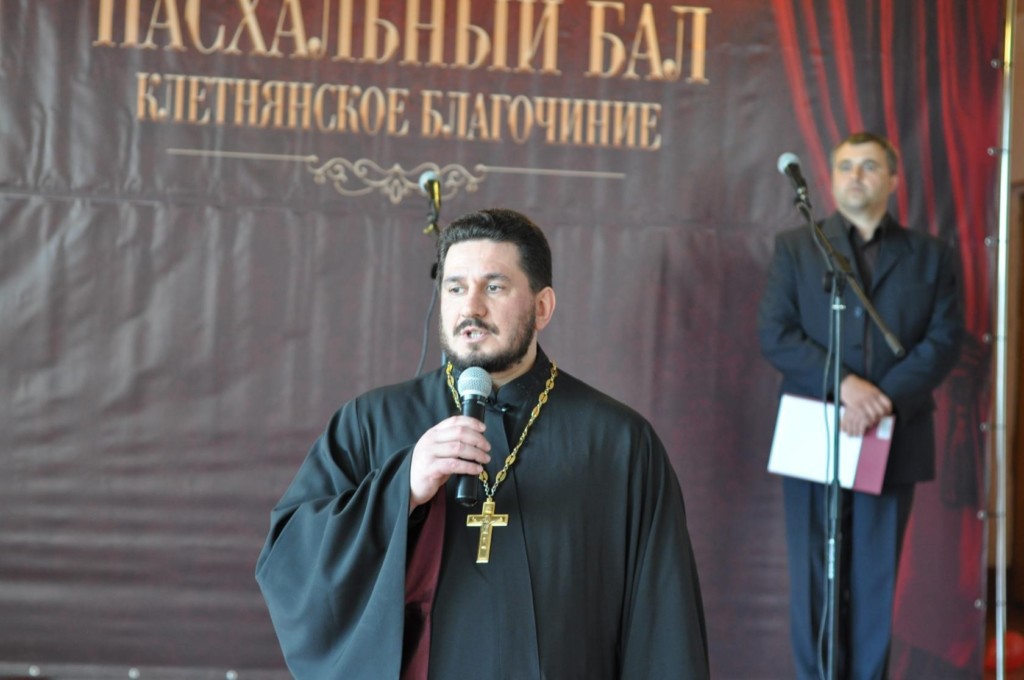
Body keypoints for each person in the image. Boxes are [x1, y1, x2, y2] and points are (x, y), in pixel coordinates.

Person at [256, 208, 710, 679]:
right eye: (455, 288)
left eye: (494, 287)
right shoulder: (372, 422)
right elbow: (290, 563)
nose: (470, 308)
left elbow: (664, 621)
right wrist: (400, 489)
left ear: (542, 307)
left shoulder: (619, 443)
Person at [758, 132, 964, 679]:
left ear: (892, 178)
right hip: (815, 435)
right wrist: (847, 385)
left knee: (875, 581)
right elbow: (776, 334)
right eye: (845, 165)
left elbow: (944, 340)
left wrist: (882, 400)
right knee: (812, 579)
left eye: (869, 165)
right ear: (831, 177)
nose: (855, 175)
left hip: (893, 434)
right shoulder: (797, 247)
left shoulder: (932, 255)